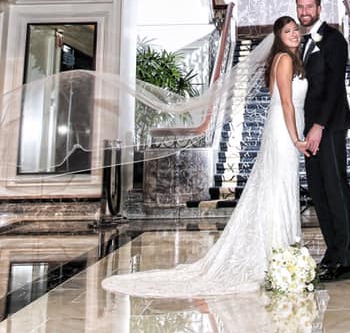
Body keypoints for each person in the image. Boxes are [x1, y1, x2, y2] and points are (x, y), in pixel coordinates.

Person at [102, 16, 309, 298]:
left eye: (296, 29)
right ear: (278, 36)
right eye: (288, 31)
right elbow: (286, 101)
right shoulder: (284, 59)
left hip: (283, 125)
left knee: (278, 186)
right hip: (284, 129)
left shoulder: (288, 59)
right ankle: (278, 250)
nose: (294, 33)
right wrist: (297, 137)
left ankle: (281, 248)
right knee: (279, 187)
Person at [296, 0, 350, 282]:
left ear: (319, 8)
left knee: (336, 189)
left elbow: (334, 86)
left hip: (330, 126)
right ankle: (332, 253)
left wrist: (319, 125)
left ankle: (346, 260)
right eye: (300, 7)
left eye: (309, 6)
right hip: (311, 129)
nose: (304, 11)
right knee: (319, 192)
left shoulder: (333, 39)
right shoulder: (303, 42)